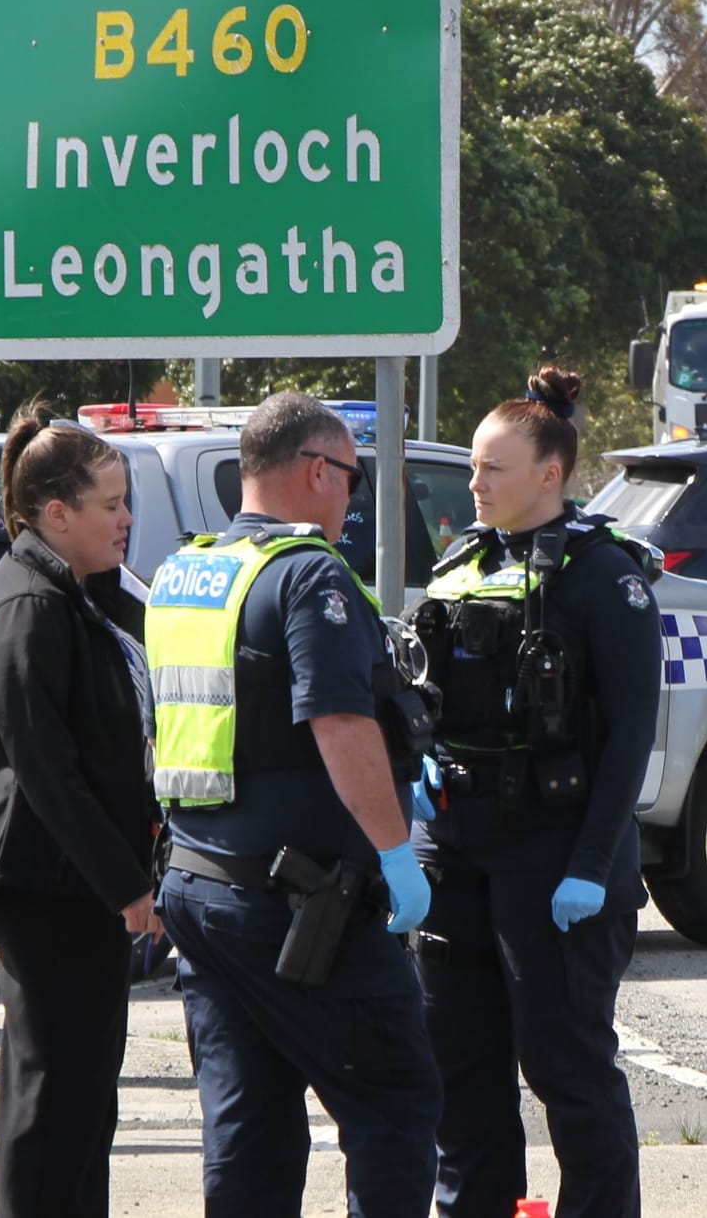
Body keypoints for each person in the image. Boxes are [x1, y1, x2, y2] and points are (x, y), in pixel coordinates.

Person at [146, 391, 439, 1218]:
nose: (352, 496)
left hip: (200, 886)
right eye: (352, 476)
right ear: (316, 471)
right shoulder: (311, 573)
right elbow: (339, 723)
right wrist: (396, 852)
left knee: (250, 1126)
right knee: (395, 1103)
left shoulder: (185, 572)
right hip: (300, 903)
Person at [405, 367, 661, 1218]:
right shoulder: (462, 564)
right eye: (474, 466)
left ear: (550, 475)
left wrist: (592, 863)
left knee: (566, 1065)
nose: (474, 483)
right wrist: (419, 763)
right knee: (460, 1064)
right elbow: (423, 693)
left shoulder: (604, 575)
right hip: (456, 845)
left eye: (492, 468)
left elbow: (631, 732)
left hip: (555, 850)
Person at [0, 404, 160, 1218]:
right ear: (56, 514)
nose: (126, 518)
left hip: (80, 886)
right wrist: (125, 883)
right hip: (50, 889)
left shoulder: (78, 594)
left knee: (82, 1103)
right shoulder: (28, 609)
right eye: (111, 504)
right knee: (52, 1105)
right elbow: (47, 771)